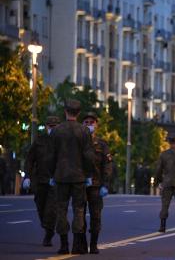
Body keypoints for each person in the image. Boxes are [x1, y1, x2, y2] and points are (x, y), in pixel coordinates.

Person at [51, 99, 95, 255]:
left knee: (61, 209)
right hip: (78, 177)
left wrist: (52, 174)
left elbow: (52, 156)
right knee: (79, 210)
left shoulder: (57, 130)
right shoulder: (84, 131)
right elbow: (89, 156)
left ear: (65, 111)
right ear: (78, 113)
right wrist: (89, 174)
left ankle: (63, 245)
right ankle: (77, 245)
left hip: (61, 176)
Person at [23, 116, 60, 246]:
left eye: (54, 126)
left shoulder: (63, 142)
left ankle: (48, 234)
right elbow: (29, 160)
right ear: (46, 127)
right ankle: (47, 228)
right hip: (39, 180)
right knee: (41, 208)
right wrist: (27, 176)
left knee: (51, 209)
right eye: (50, 126)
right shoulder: (39, 141)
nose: (52, 128)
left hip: (55, 182)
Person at [81, 112, 113, 254]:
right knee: (79, 216)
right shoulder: (77, 142)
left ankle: (93, 244)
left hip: (96, 185)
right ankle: (81, 244)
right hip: (80, 184)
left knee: (96, 216)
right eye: (86, 122)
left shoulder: (102, 144)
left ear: (96, 125)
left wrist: (105, 184)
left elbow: (107, 165)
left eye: (91, 122)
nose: (89, 125)